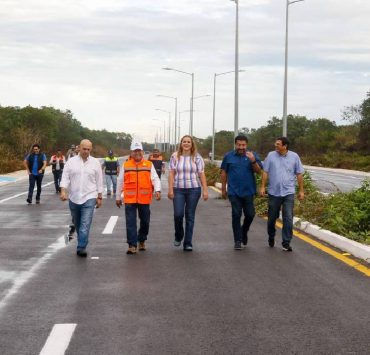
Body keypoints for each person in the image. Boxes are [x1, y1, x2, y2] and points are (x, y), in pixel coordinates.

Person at [260, 137, 304, 252]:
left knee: (288, 217)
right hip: (274, 192)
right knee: (272, 218)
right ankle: (271, 236)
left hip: (288, 192)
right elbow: (265, 171)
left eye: (278, 144)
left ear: (285, 146)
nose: (276, 145)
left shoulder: (294, 157)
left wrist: (301, 190)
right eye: (276, 143)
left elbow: (299, 174)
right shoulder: (271, 155)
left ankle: (286, 242)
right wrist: (263, 186)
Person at [116, 141, 161, 255]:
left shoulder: (149, 165)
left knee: (145, 221)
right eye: (135, 151)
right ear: (131, 153)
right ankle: (132, 245)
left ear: (142, 152)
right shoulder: (126, 165)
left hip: (144, 199)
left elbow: (155, 179)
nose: (137, 153)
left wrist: (158, 190)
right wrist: (117, 197)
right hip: (129, 199)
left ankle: (141, 240)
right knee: (130, 222)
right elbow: (120, 181)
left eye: (139, 151)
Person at [60, 139, 103, 257]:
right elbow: (65, 177)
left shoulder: (95, 163)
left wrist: (99, 197)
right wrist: (63, 191)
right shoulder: (71, 162)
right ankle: (81, 240)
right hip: (74, 197)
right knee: (78, 223)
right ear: (79, 148)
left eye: (89, 149)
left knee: (85, 223)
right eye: (84, 149)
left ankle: (81, 247)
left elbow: (99, 180)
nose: (86, 151)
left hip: (90, 196)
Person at [221, 135, 262, 250]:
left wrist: (253, 161)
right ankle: (237, 240)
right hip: (234, 192)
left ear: (246, 145)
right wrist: (223, 189)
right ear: (235, 144)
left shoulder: (252, 155)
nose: (241, 147)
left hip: (249, 191)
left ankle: (244, 230)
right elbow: (224, 172)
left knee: (250, 214)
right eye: (239, 145)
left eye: (243, 145)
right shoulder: (228, 156)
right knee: (236, 214)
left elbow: (259, 171)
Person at [168, 135, 208, 251]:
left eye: (188, 142)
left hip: (194, 189)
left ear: (192, 144)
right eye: (184, 142)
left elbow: (201, 174)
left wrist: (205, 190)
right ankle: (179, 234)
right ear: (181, 143)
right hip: (178, 189)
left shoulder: (197, 157)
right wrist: (170, 189)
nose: (186, 144)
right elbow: (171, 173)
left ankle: (188, 242)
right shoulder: (175, 156)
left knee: (190, 216)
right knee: (178, 214)